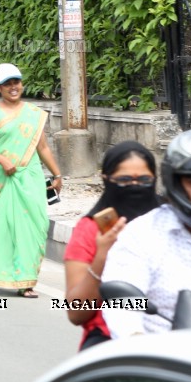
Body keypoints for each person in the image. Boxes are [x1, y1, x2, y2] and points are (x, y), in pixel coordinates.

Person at [102, 130, 191, 337]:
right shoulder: (142, 236)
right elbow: (123, 312)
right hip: (169, 362)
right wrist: (137, 340)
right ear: (174, 182)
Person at [0, 63, 63, 297]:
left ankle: (26, 280)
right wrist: (3, 161)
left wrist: (57, 173)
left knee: (34, 226)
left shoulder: (33, 113)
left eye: (16, 82)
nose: (13, 87)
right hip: (1, 178)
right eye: (7, 84)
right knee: (0, 225)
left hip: (30, 176)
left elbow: (42, 146)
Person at [63, 141, 160, 350]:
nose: (134, 186)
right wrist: (102, 257)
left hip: (172, 340)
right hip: (109, 345)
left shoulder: (172, 224)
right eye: (124, 180)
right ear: (106, 180)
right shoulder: (90, 230)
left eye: (143, 180)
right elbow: (76, 313)